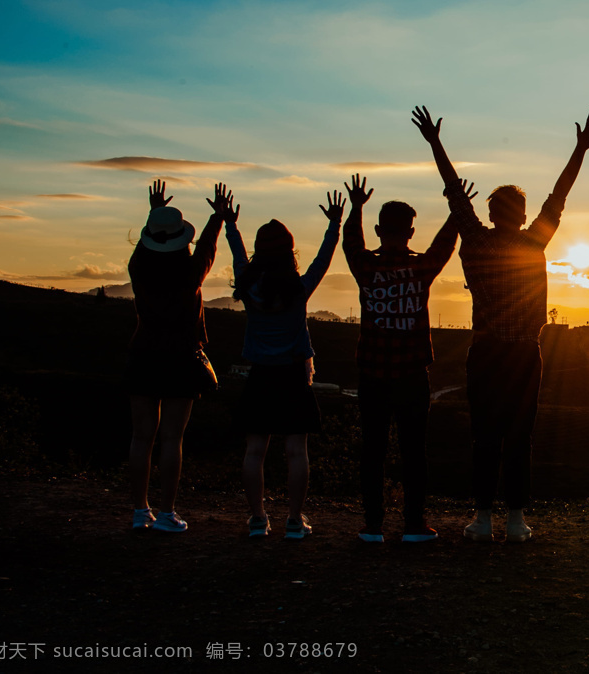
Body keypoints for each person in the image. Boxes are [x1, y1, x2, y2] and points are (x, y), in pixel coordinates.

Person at [412, 105, 589, 543]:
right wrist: (579, 149)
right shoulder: (533, 240)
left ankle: (482, 518)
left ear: (492, 211)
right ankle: (516, 519)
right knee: (520, 436)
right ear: (520, 214)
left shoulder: (476, 240)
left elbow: (453, 193)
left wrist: (435, 143)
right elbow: (559, 195)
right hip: (523, 354)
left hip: (485, 352)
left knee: (485, 436)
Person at [341, 173, 476, 544]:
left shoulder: (366, 268)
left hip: (372, 374)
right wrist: (456, 208)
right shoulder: (421, 268)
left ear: (380, 229)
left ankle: (372, 525)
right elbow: (445, 244)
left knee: (373, 449)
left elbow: (350, 242)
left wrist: (355, 207)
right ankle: (414, 524)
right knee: (414, 451)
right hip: (413, 375)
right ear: (411, 232)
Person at [227, 189, 345, 540]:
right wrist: (334, 226)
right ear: (289, 252)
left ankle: (258, 519)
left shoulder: (249, 287)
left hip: (260, 374)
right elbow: (323, 260)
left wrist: (230, 225)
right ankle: (295, 520)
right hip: (294, 376)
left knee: (255, 450)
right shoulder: (298, 288)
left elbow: (237, 254)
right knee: (296, 451)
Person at [126, 180, 228, 533]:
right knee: (172, 438)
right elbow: (209, 250)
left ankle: (140, 511)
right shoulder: (189, 273)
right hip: (181, 357)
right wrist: (218, 216)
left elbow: (148, 246)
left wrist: (155, 213)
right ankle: (167, 512)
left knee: (141, 437)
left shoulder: (138, 268)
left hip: (143, 353)